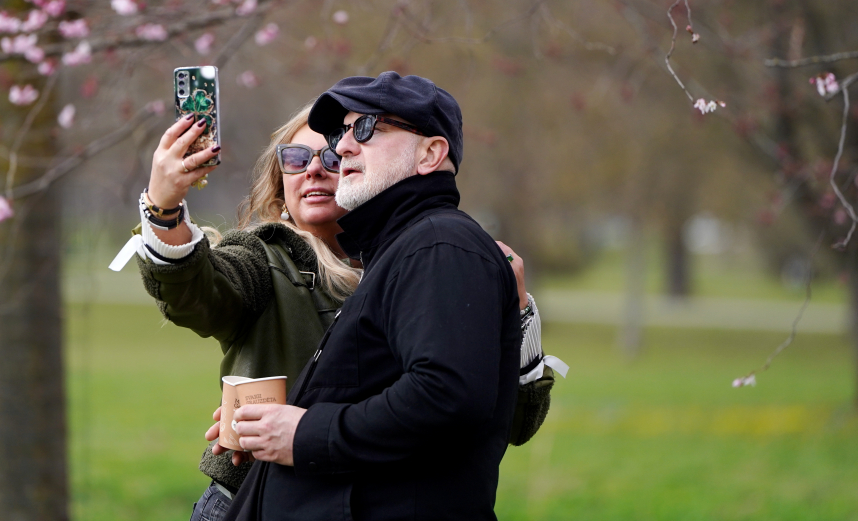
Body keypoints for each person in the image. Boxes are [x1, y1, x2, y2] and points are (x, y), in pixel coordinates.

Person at [111, 99, 560, 521]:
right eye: (294, 158)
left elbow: (507, 423)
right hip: (251, 500)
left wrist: (516, 311)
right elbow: (195, 294)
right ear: (279, 180)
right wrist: (164, 208)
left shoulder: (425, 261)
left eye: (329, 156)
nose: (313, 170)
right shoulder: (266, 259)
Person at [223, 72, 546, 521]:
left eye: (366, 128)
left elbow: (446, 397)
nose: (342, 147)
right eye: (340, 133)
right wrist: (269, 427)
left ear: (430, 154)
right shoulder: (399, 249)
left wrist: (304, 434)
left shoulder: (439, 244)